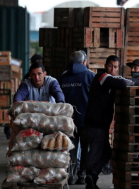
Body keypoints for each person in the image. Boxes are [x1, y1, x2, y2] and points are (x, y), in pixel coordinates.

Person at [84, 55, 134, 189]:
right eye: (110, 66)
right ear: (106, 66)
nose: (112, 69)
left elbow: (121, 81)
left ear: (118, 68)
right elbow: (123, 83)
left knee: (106, 153)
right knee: (95, 154)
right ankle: (90, 178)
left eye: (115, 67)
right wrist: (132, 82)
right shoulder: (102, 76)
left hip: (101, 125)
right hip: (95, 125)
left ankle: (92, 178)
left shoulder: (111, 79)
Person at [58, 50, 95, 185]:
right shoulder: (90, 76)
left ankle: (71, 176)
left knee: (70, 149)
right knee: (86, 149)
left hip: (68, 121)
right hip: (86, 120)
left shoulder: (63, 77)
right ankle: (83, 176)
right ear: (84, 62)